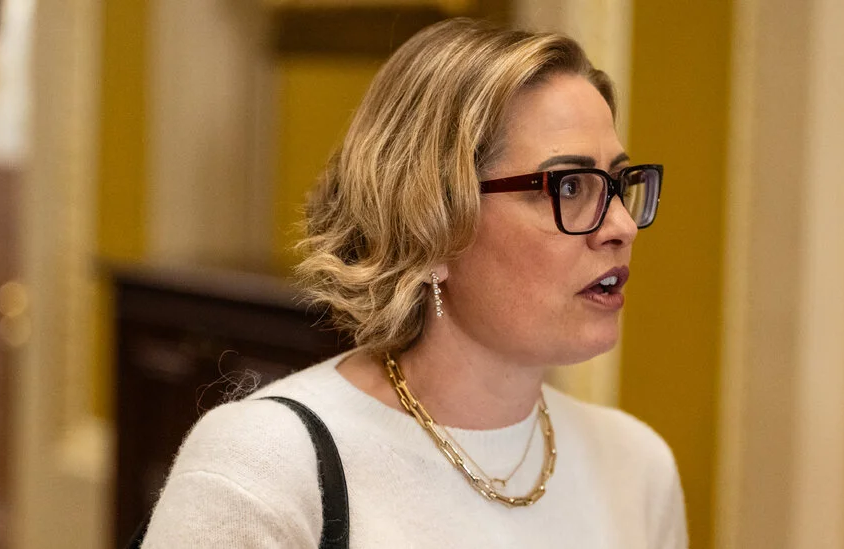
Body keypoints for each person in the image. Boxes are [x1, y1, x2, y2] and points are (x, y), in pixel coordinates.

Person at [141, 17, 687, 548]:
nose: (621, 226)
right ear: (432, 224)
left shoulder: (638, 469)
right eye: (569, 187)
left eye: (619, 183)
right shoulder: (260, 469)